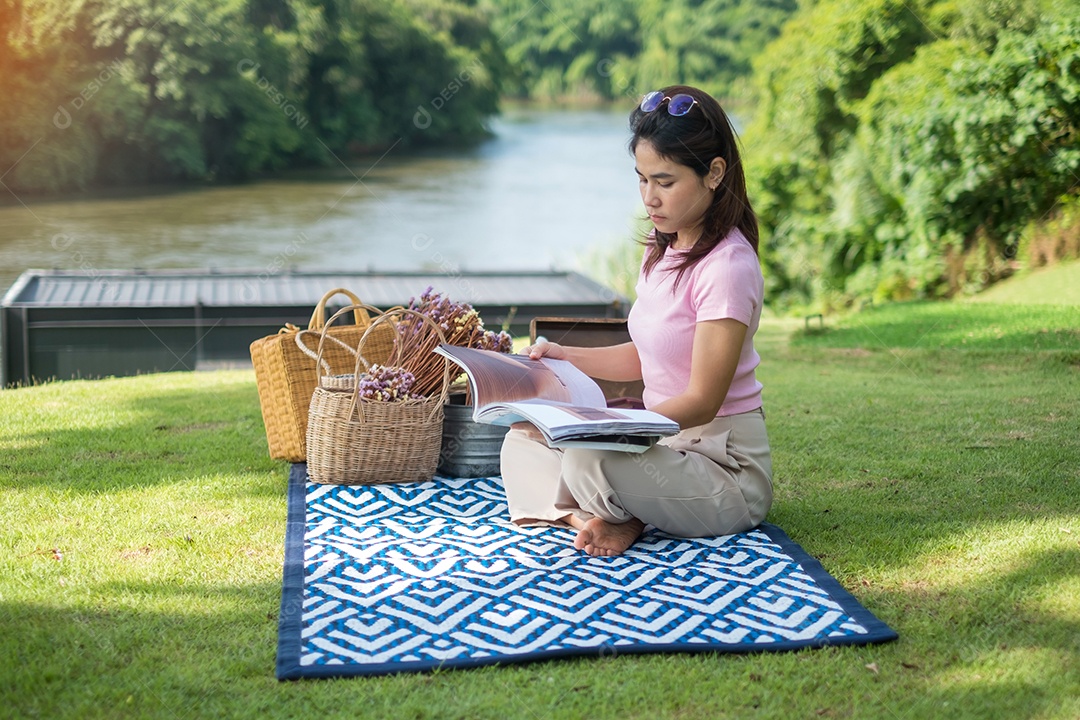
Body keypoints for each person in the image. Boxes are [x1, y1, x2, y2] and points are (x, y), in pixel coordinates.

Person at [500, 85, 773, 557]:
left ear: (714, 173)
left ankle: (614, 512)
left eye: (665, 182)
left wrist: (615, 425)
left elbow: (704, 401)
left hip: (721, 467)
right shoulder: (660, 246)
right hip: (661, 449)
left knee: (588, 459)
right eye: (642, 179)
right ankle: (592, 518)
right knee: (522, 439)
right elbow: (647, 355)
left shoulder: (727, 266)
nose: (650, 197)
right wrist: (564, 356)